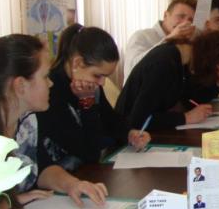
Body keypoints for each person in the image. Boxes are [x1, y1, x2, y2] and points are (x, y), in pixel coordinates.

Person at [0, 35, 108, 209]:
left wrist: (73, 184)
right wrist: (10, 203)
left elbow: (42, 167)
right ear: (20, 85)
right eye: (45, 76)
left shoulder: (28, 120)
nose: (51, 83)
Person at [37, 24, 151, 170]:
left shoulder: (89, 84)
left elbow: (109, 118)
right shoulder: (50, 92)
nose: (102, 83)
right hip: (63, 173)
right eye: (98, 75)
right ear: (77, 63)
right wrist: (87, 102)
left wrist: (129, 133)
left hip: (86, 170)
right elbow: (89, 152)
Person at [115, 31, 219, 131]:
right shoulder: (164, 64)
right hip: (127, 135)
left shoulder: (184, 59)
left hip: (146, 134)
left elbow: (192, 100)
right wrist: (186, 118)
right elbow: (138, 120)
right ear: (209, 63)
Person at [123, 0, 197, 81]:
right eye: (181, 16)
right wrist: (168, 39)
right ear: (165, 15)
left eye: (190, 20)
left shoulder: (184, 44)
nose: (185, 23)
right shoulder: (142, 36)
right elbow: (133, 68)